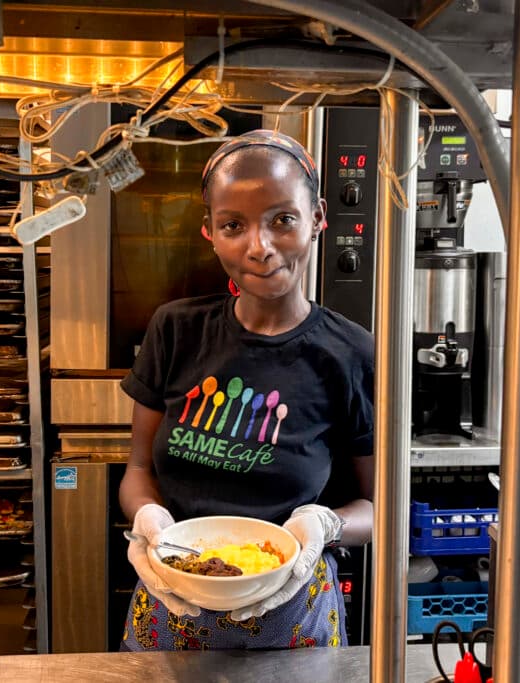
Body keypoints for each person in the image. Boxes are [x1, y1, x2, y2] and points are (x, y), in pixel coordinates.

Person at [117, 129, 374, 651]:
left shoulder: (350, 353)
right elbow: (138, 472)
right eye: (234, 225)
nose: (259, 247)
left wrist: (323, 524)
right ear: (210, 231)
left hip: (293, 616)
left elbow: (378, 505)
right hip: (172, 600)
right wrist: (148, 519)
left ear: (318, 217)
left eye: (283, 219)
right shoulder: (175, 330)